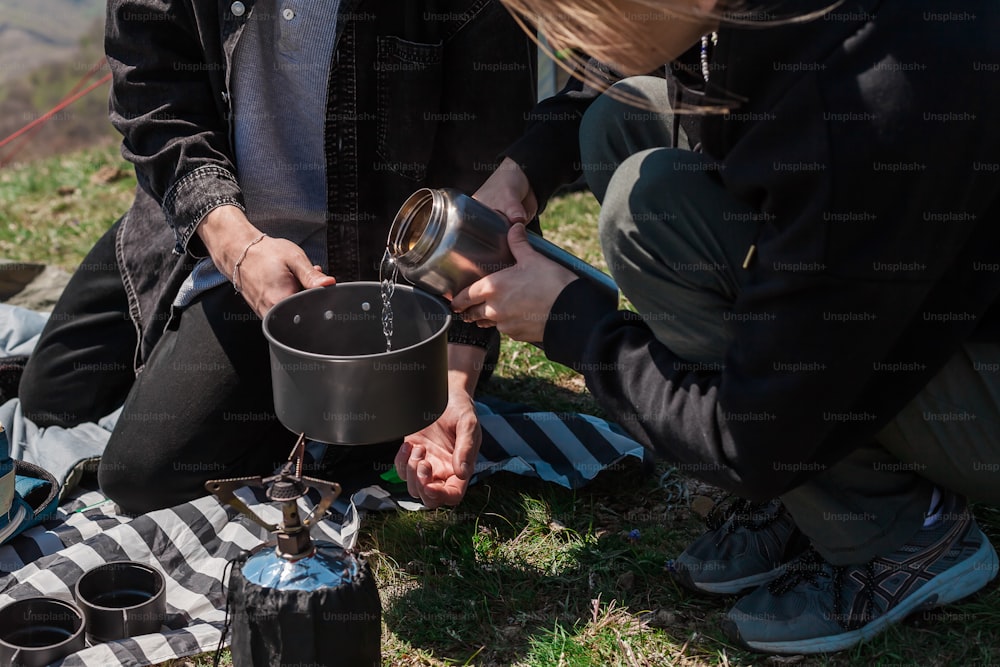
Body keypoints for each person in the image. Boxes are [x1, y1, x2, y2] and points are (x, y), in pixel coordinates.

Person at [451, 0, 1000, 654]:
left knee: (644, 209)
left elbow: (749, 438)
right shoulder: (758, 20)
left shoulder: (858, 100)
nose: (563, 36)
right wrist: (527, 167)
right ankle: (811, 494)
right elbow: (622, 60)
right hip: (925, 281)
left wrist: (572, 324)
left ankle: (902, 531)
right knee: (620, 120)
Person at [16, 0, 541, 514]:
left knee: (143, 476)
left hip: (363, 276)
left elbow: (486, 174)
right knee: (49, 398)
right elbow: (151, 97)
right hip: (209, 222)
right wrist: (233, 243)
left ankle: (334, 416)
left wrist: (447, 376)